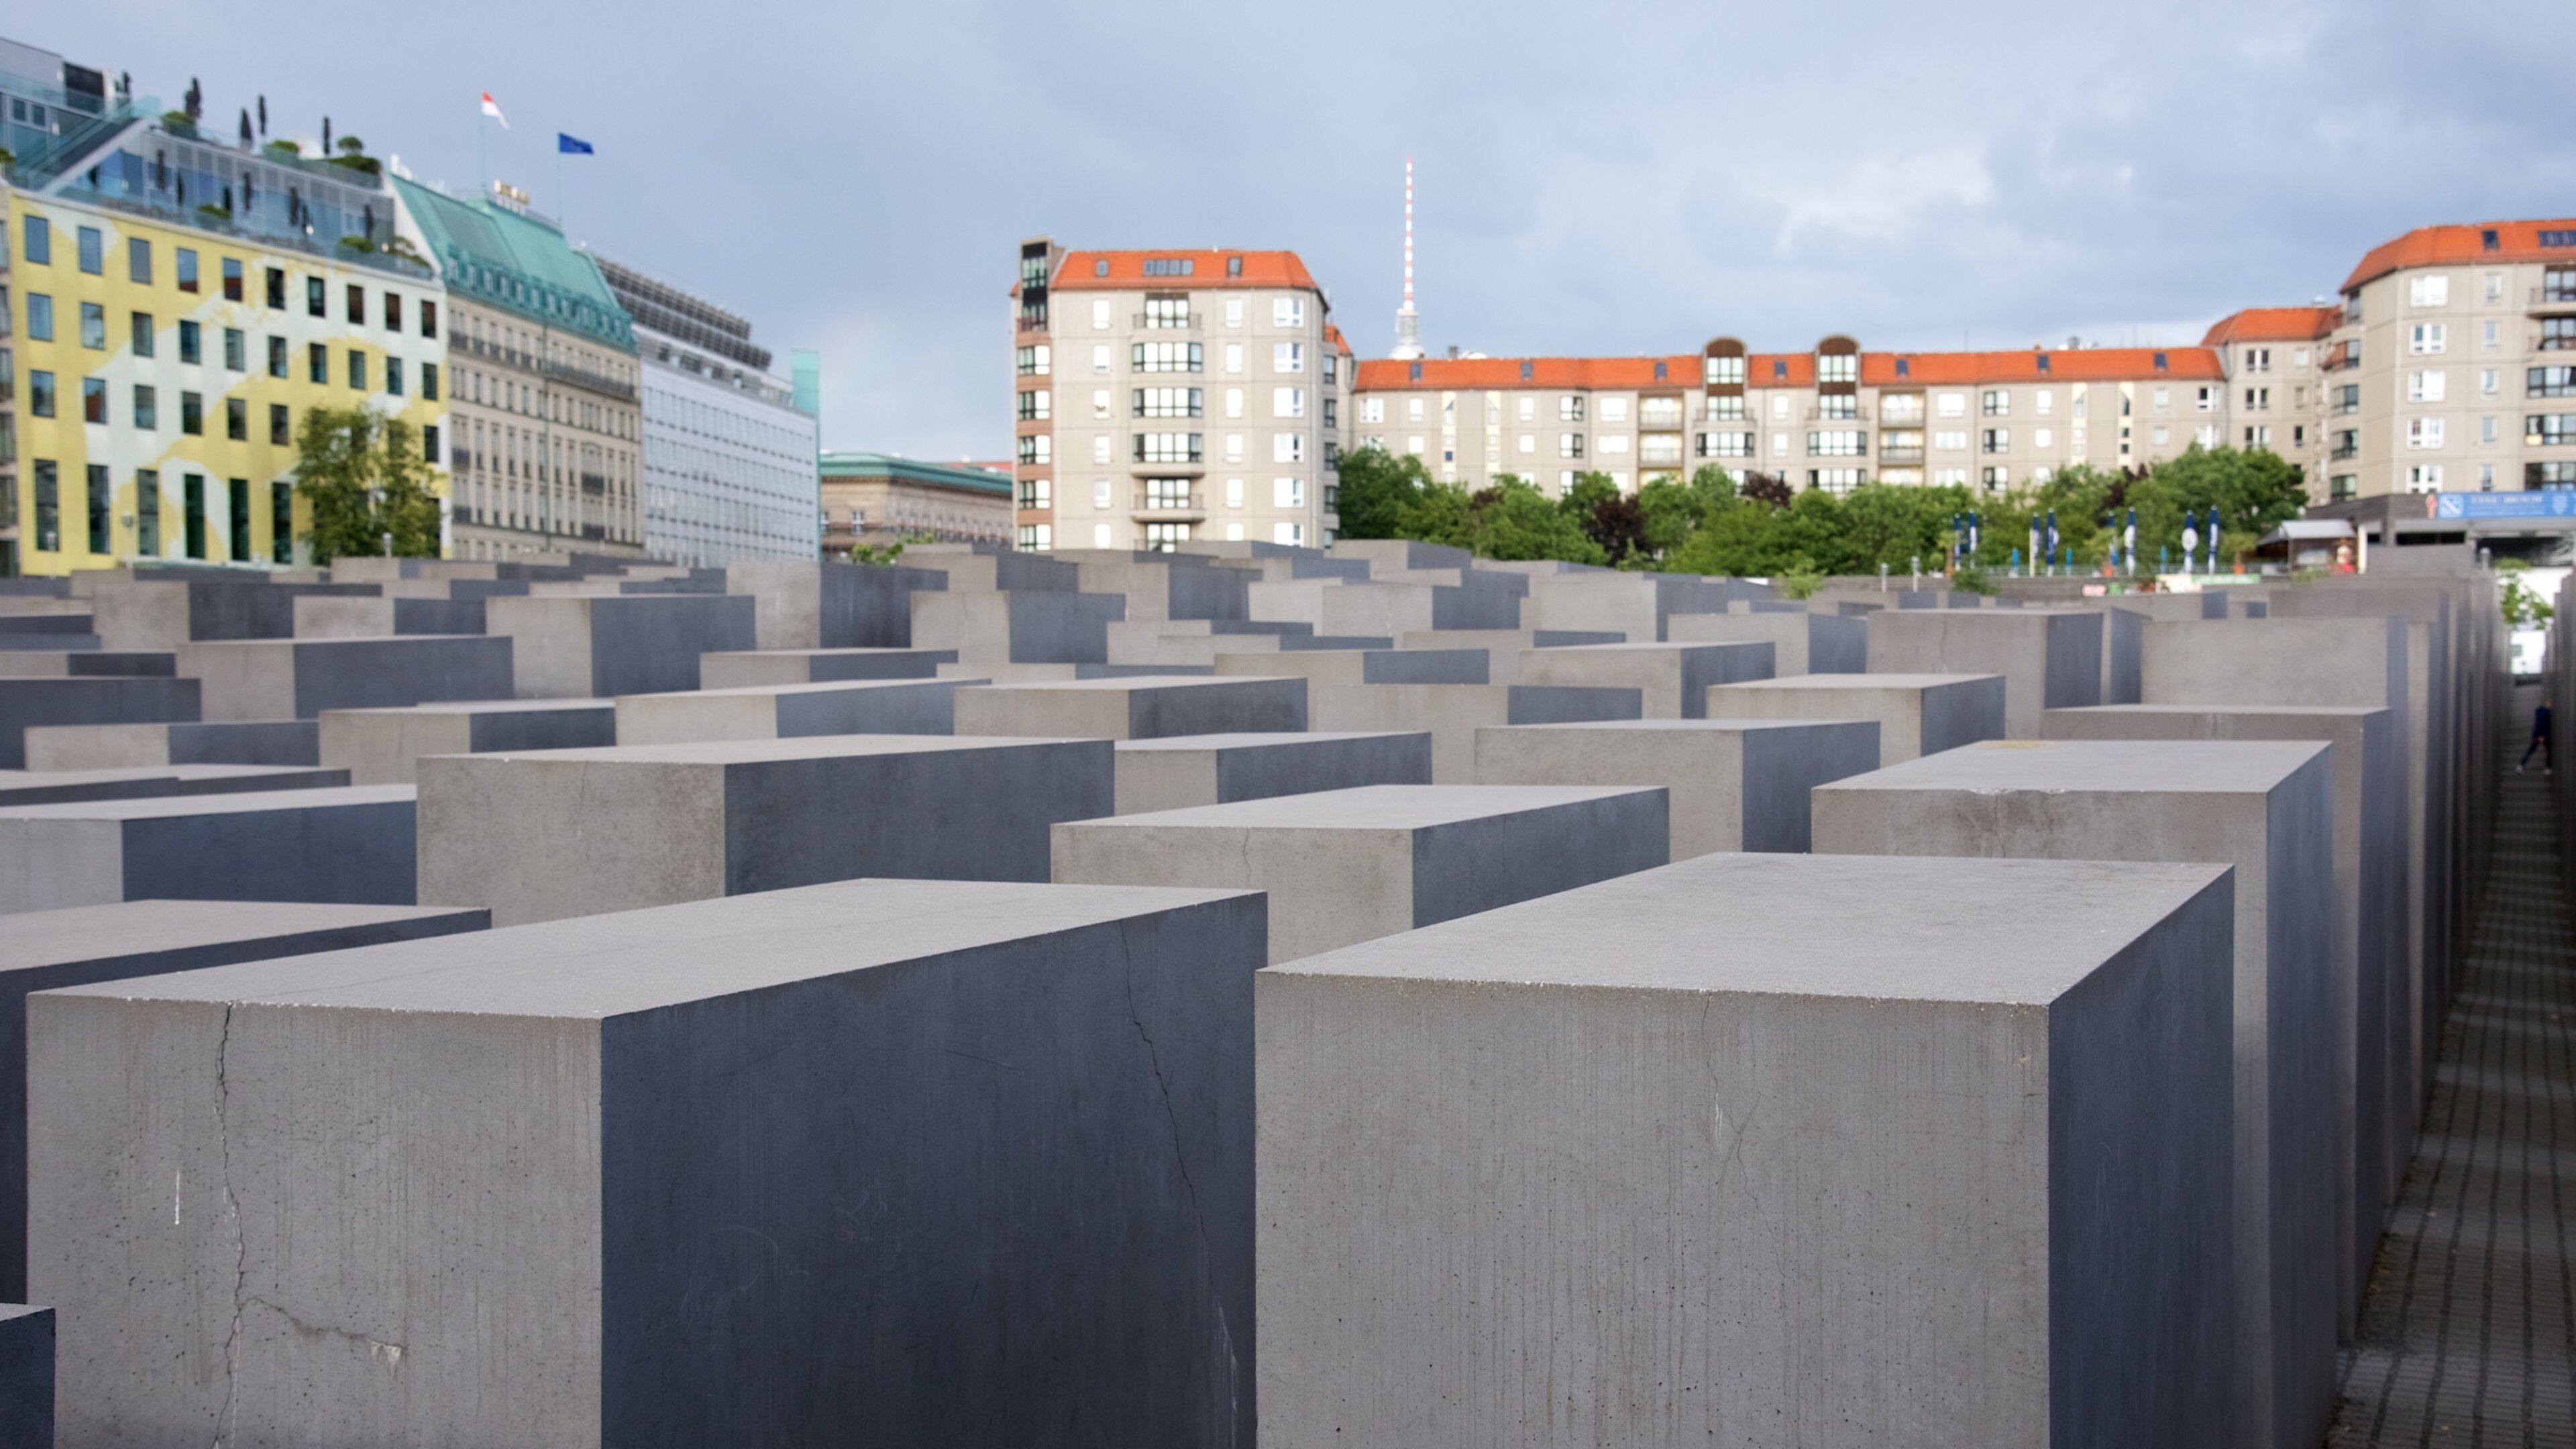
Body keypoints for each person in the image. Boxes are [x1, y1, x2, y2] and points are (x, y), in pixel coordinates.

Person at [2520, 700, 2553, 774]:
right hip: (2544, 735)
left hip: (2537, 734)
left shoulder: (2539, 711)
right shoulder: (2546, 711)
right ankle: (2548, 768)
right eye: (2551, 704)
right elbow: (2541, 723)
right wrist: (2541, 735)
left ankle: (2521, 766)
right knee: (2549, 751)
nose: (2551, 706)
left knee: (2531, 750)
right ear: (2548, 703)